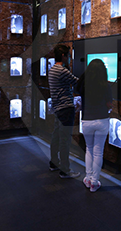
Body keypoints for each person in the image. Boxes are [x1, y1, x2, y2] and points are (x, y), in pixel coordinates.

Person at [76, 59, 113, 192]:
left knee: (89, 149)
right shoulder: (106, 85)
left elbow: (77, 92)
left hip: (87, 121)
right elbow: (110, 104)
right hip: (102, 120)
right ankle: (94, 182)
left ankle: (87, 178)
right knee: (98, 152)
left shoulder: (84, 84)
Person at [48, 44, 80, 179]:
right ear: (63, 56)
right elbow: (77, 81)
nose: (70, 58)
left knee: (56, 137)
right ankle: (65, 170)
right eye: (69, 55)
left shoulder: (52, 69)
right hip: (66, 109)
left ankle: (54, 163)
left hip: (57, 108)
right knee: (65, 140)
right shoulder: (62, 71)